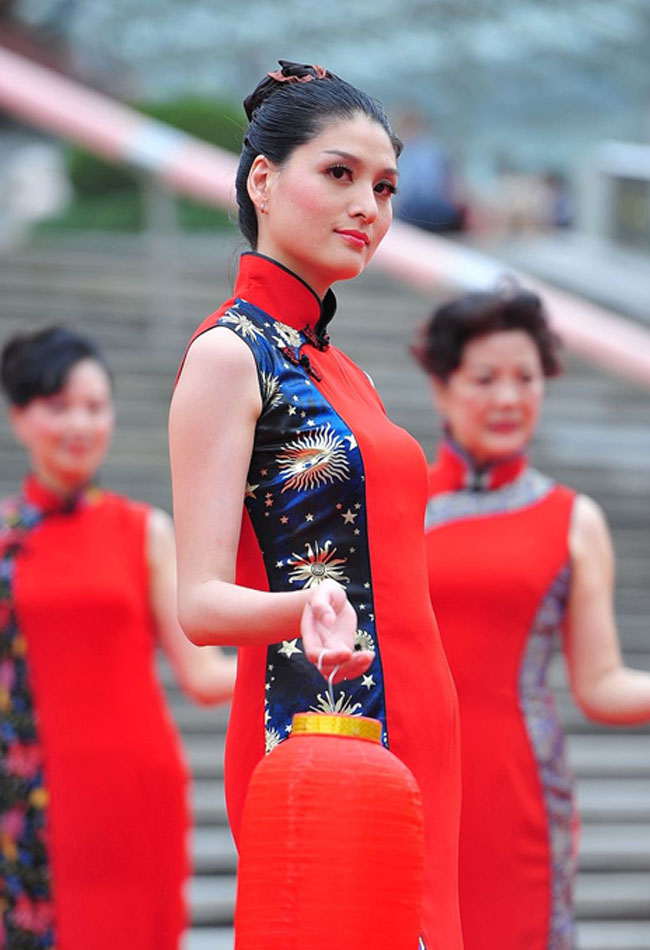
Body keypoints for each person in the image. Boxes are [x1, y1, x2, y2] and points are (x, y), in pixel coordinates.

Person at [169, 60, 462, 950]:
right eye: (338, 175)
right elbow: (200, 605)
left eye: (383, 186)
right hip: (320, 722)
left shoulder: (348, 373)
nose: (367, 206)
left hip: (425, 726)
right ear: (264, 179)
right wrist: (310, 605)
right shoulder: (229, 357)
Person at [412, 287, 650, 949]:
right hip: (404, 784)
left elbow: (600, 686)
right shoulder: (392, 506)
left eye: (526, 378)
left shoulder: (575, 520)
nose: (508, 399)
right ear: (441, 386)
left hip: (518, 795)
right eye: (484, 379)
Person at [0, 326, 236, 949]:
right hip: (26, 807)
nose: (79, 423)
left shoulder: (144, 532)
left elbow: (206, 677)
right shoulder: (3, 541)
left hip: (134, 796)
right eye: (58, 407)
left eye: (95, 406)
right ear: (20, 416)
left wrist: (305, 650)